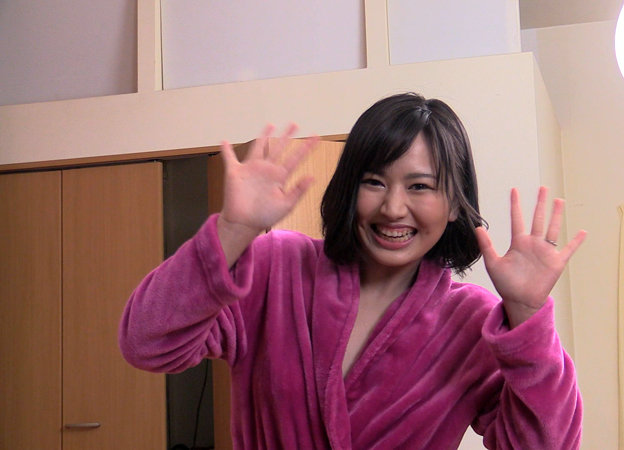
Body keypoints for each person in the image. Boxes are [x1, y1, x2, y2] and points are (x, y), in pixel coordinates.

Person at [119, 93, 587, 449]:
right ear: (350, 189)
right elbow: (147, 343)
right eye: (374, 182)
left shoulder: (470, 322)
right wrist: (232, 232)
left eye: (420, 187)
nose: (393, 207)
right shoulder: (276, 268)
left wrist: (527, 315)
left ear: (452, 205)